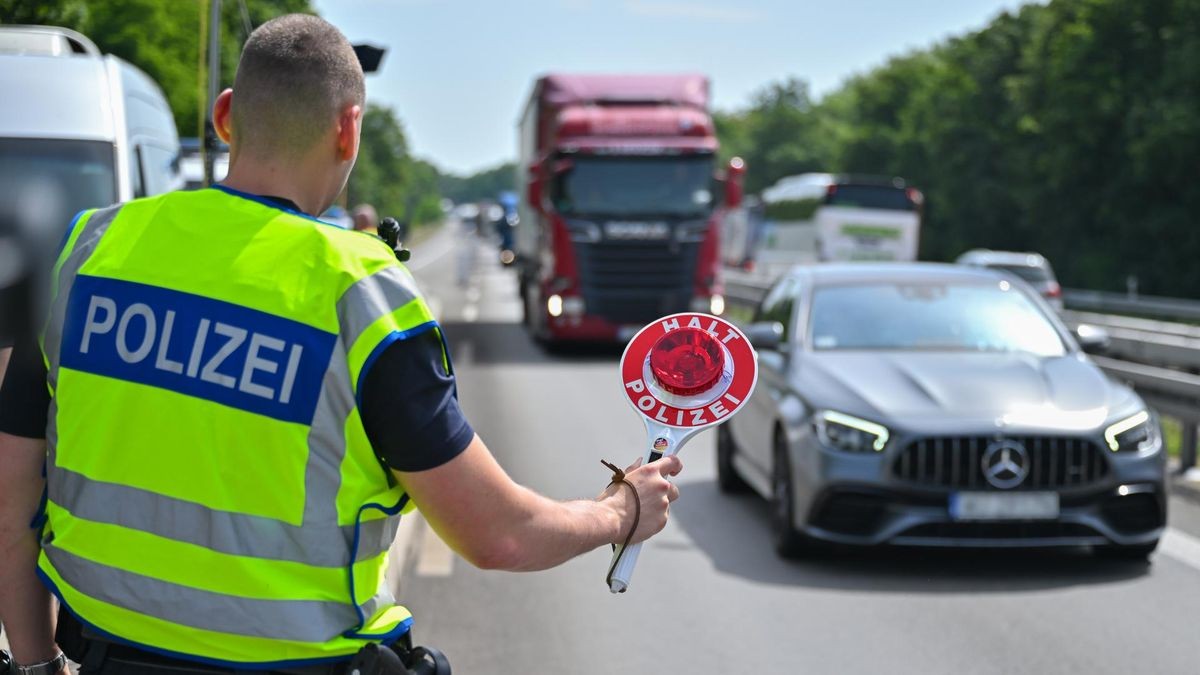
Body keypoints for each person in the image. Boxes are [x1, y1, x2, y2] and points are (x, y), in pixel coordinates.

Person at [0, 14, 680, 675]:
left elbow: (9, 499)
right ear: (348, 130)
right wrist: (618, 510)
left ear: (226, 115)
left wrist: (34, 661)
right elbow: (499, 534)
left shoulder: (87, 250)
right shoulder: (364, 296)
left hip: (106, 654)